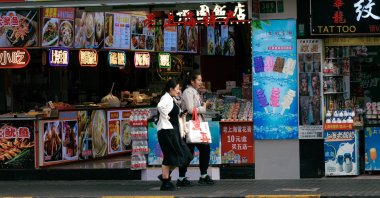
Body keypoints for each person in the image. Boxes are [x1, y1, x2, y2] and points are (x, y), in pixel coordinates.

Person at [178, 70, 215, 186]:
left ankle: (198, 175)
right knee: (190, 152)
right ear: (192, 81)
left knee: (201, 149)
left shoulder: (193, 91)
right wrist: (203, 108)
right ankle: (182, 177)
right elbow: (190, 109)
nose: (200, 82)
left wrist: (202, 105)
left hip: (195, 125)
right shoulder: (188, 92)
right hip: (191, 125)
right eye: (198, 80)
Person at [156, 79, 193, 191]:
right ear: (171, 89)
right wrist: (165, 116)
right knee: (170, 156)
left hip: (173, 132)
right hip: (167, 132)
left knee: (185, 155)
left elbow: (174, 113)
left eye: (179, 88)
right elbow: (160, 106)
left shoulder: (171, 99)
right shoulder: (166, 98)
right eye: (177, 89)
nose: (178, 91)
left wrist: (181, 113)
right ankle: (165, 182)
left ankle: (164, 175)